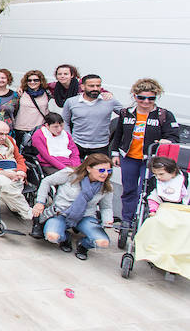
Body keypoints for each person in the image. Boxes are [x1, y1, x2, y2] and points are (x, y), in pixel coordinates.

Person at [110, 78, 181, 234]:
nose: (146, 101)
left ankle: (143, 221)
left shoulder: (163, 115)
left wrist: (166, 140)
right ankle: (127, 221)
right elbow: (118, 135)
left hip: (151, 160)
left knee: (146, 192)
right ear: (134, 96)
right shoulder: (125, 113)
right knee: (129, 190)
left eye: (151, 98)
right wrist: (115, 153)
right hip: (128, 157)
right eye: (141, 97)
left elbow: (174, 137)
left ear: (156, 97)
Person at [32, 153, 115, 260]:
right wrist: (40, 202)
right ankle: (65, 238)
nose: (105, 174)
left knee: (103, 243)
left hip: (86, 216)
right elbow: (46, 181)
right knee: (52, 236)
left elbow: (106, 207)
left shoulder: (107, 187)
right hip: (60, 213)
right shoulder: (70, 174)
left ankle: (83, 245)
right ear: (89, 168)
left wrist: (108, 220)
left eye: (109, 171)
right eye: (101, 170)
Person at [61, 74, 123, 158]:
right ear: (82, 87)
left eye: (98, 86)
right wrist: (69, 139)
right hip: (77, 145)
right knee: (75, 171)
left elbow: (127, 115)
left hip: (101, 146)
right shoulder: (71, 102)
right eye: (91, 86)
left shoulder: (110, 101)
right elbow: (64, 121)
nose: (95, 89)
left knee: (102, 171)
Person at [14, 70, 50, 145]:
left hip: (39, 129)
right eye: (29, 80)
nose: (32, 82)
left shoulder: (47, 93)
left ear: (41, 81)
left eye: (36, 80)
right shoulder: (21, 92)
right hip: (21, 128)